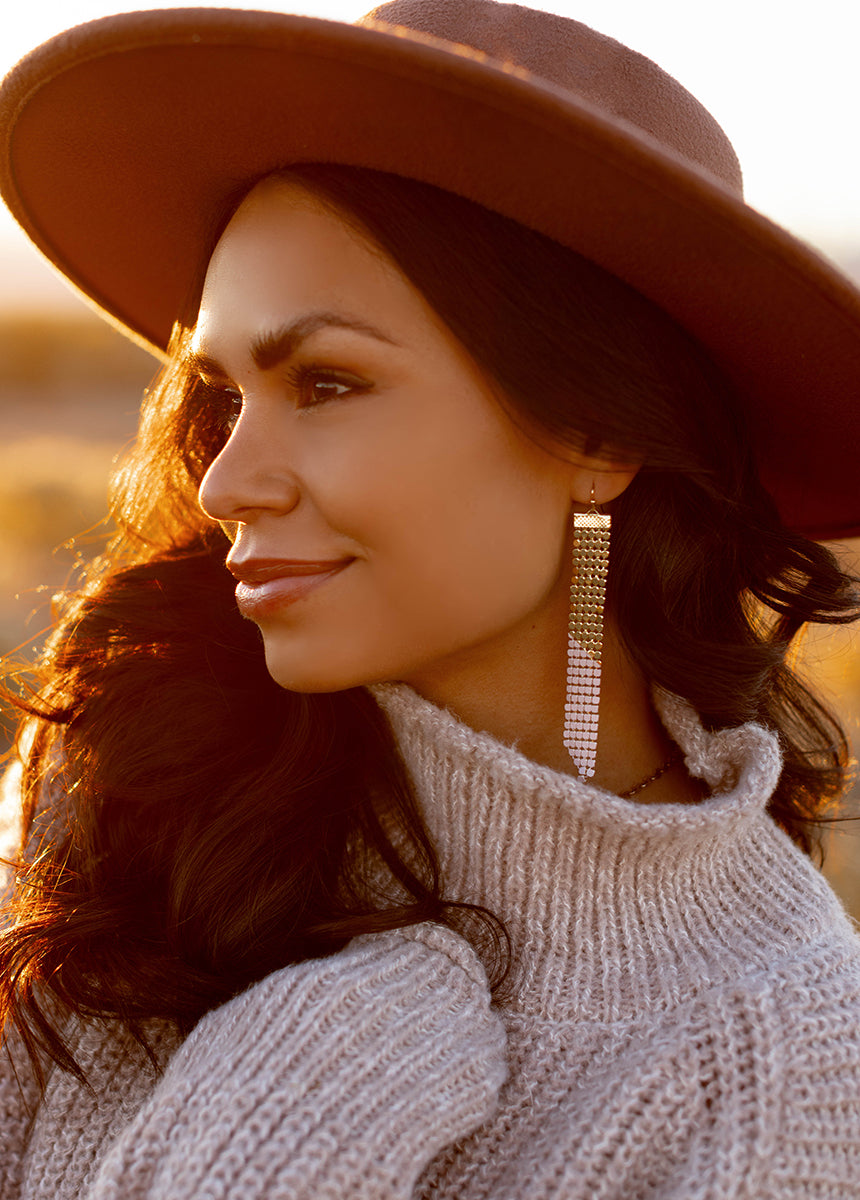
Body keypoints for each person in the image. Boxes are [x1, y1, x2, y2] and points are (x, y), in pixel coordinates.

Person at [1, 1, 859, 1196]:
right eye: (226, 397)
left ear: (598, 435)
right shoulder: (137, 777)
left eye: (326, 382)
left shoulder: (780, 1066)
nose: (224, 482)